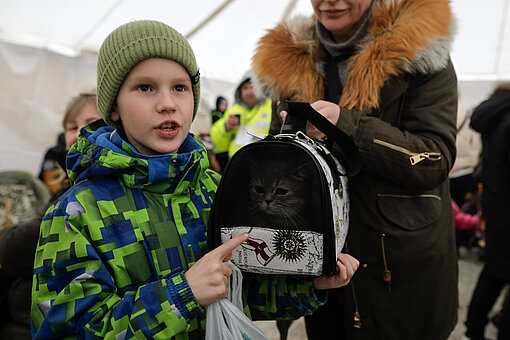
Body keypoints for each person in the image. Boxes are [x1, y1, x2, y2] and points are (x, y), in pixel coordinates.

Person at [30, 20, 359, 339]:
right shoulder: (75, 213)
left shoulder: (214, 189)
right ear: (114, 107)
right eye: (145, 88)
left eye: (180, 88)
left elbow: (244, 291)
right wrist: (181, 295)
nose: (168, 104)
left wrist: (307, 285)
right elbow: (65, 330)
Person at [252, 0, 458, 339]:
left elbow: (433, 160)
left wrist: (344, 125)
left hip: (398, 266)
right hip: (322, 265)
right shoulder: (286, 62)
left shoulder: (420, 49)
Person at [0, 93, 101, 340]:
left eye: (91, 123)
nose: (79, 133)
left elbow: (24, 245)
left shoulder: (92, 188)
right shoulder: (73, 180)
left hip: (40, 322)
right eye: (71, 127)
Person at [464, 82, 510, 340]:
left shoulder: (498, 110)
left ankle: (473, 330)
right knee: (495, 275)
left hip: (496, 208)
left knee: (493, 273)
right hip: (504, 210)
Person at [210, 72, 272, 160]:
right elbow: (217, 141)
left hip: (263, 162)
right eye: (245, 88)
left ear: (260, 88)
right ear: (240, 91)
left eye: (253, 87)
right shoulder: (233, 110)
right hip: (236, 162)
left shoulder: (271, 107)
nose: (249, 92)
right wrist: (225, 127)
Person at [210, 96, 229, 172]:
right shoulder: (215, 114)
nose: (224, 107)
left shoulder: (226, 114)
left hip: (226, 146)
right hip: (218, 147)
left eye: (225, 104)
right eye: (222, 104)